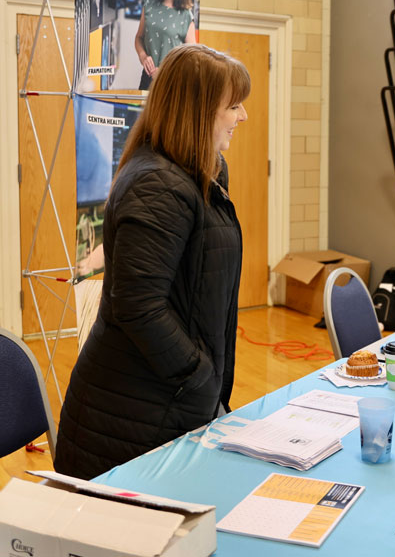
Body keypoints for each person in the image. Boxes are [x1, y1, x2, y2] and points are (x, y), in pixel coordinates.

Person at [54, 44, 250, 479]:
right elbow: (139, 307)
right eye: (233, 106)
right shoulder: (159, 185)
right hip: (132, 419)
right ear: (197, 111)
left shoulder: (200, 173)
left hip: (168, 403)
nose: (242, 117)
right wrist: (198, 376)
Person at [134, 0, 197, 90]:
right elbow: (139, 37)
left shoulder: (186, 16)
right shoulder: (149, 2)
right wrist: (143, 56)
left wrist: (165, 71)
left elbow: (192, 59)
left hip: (172, 81)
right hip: (148, 78)